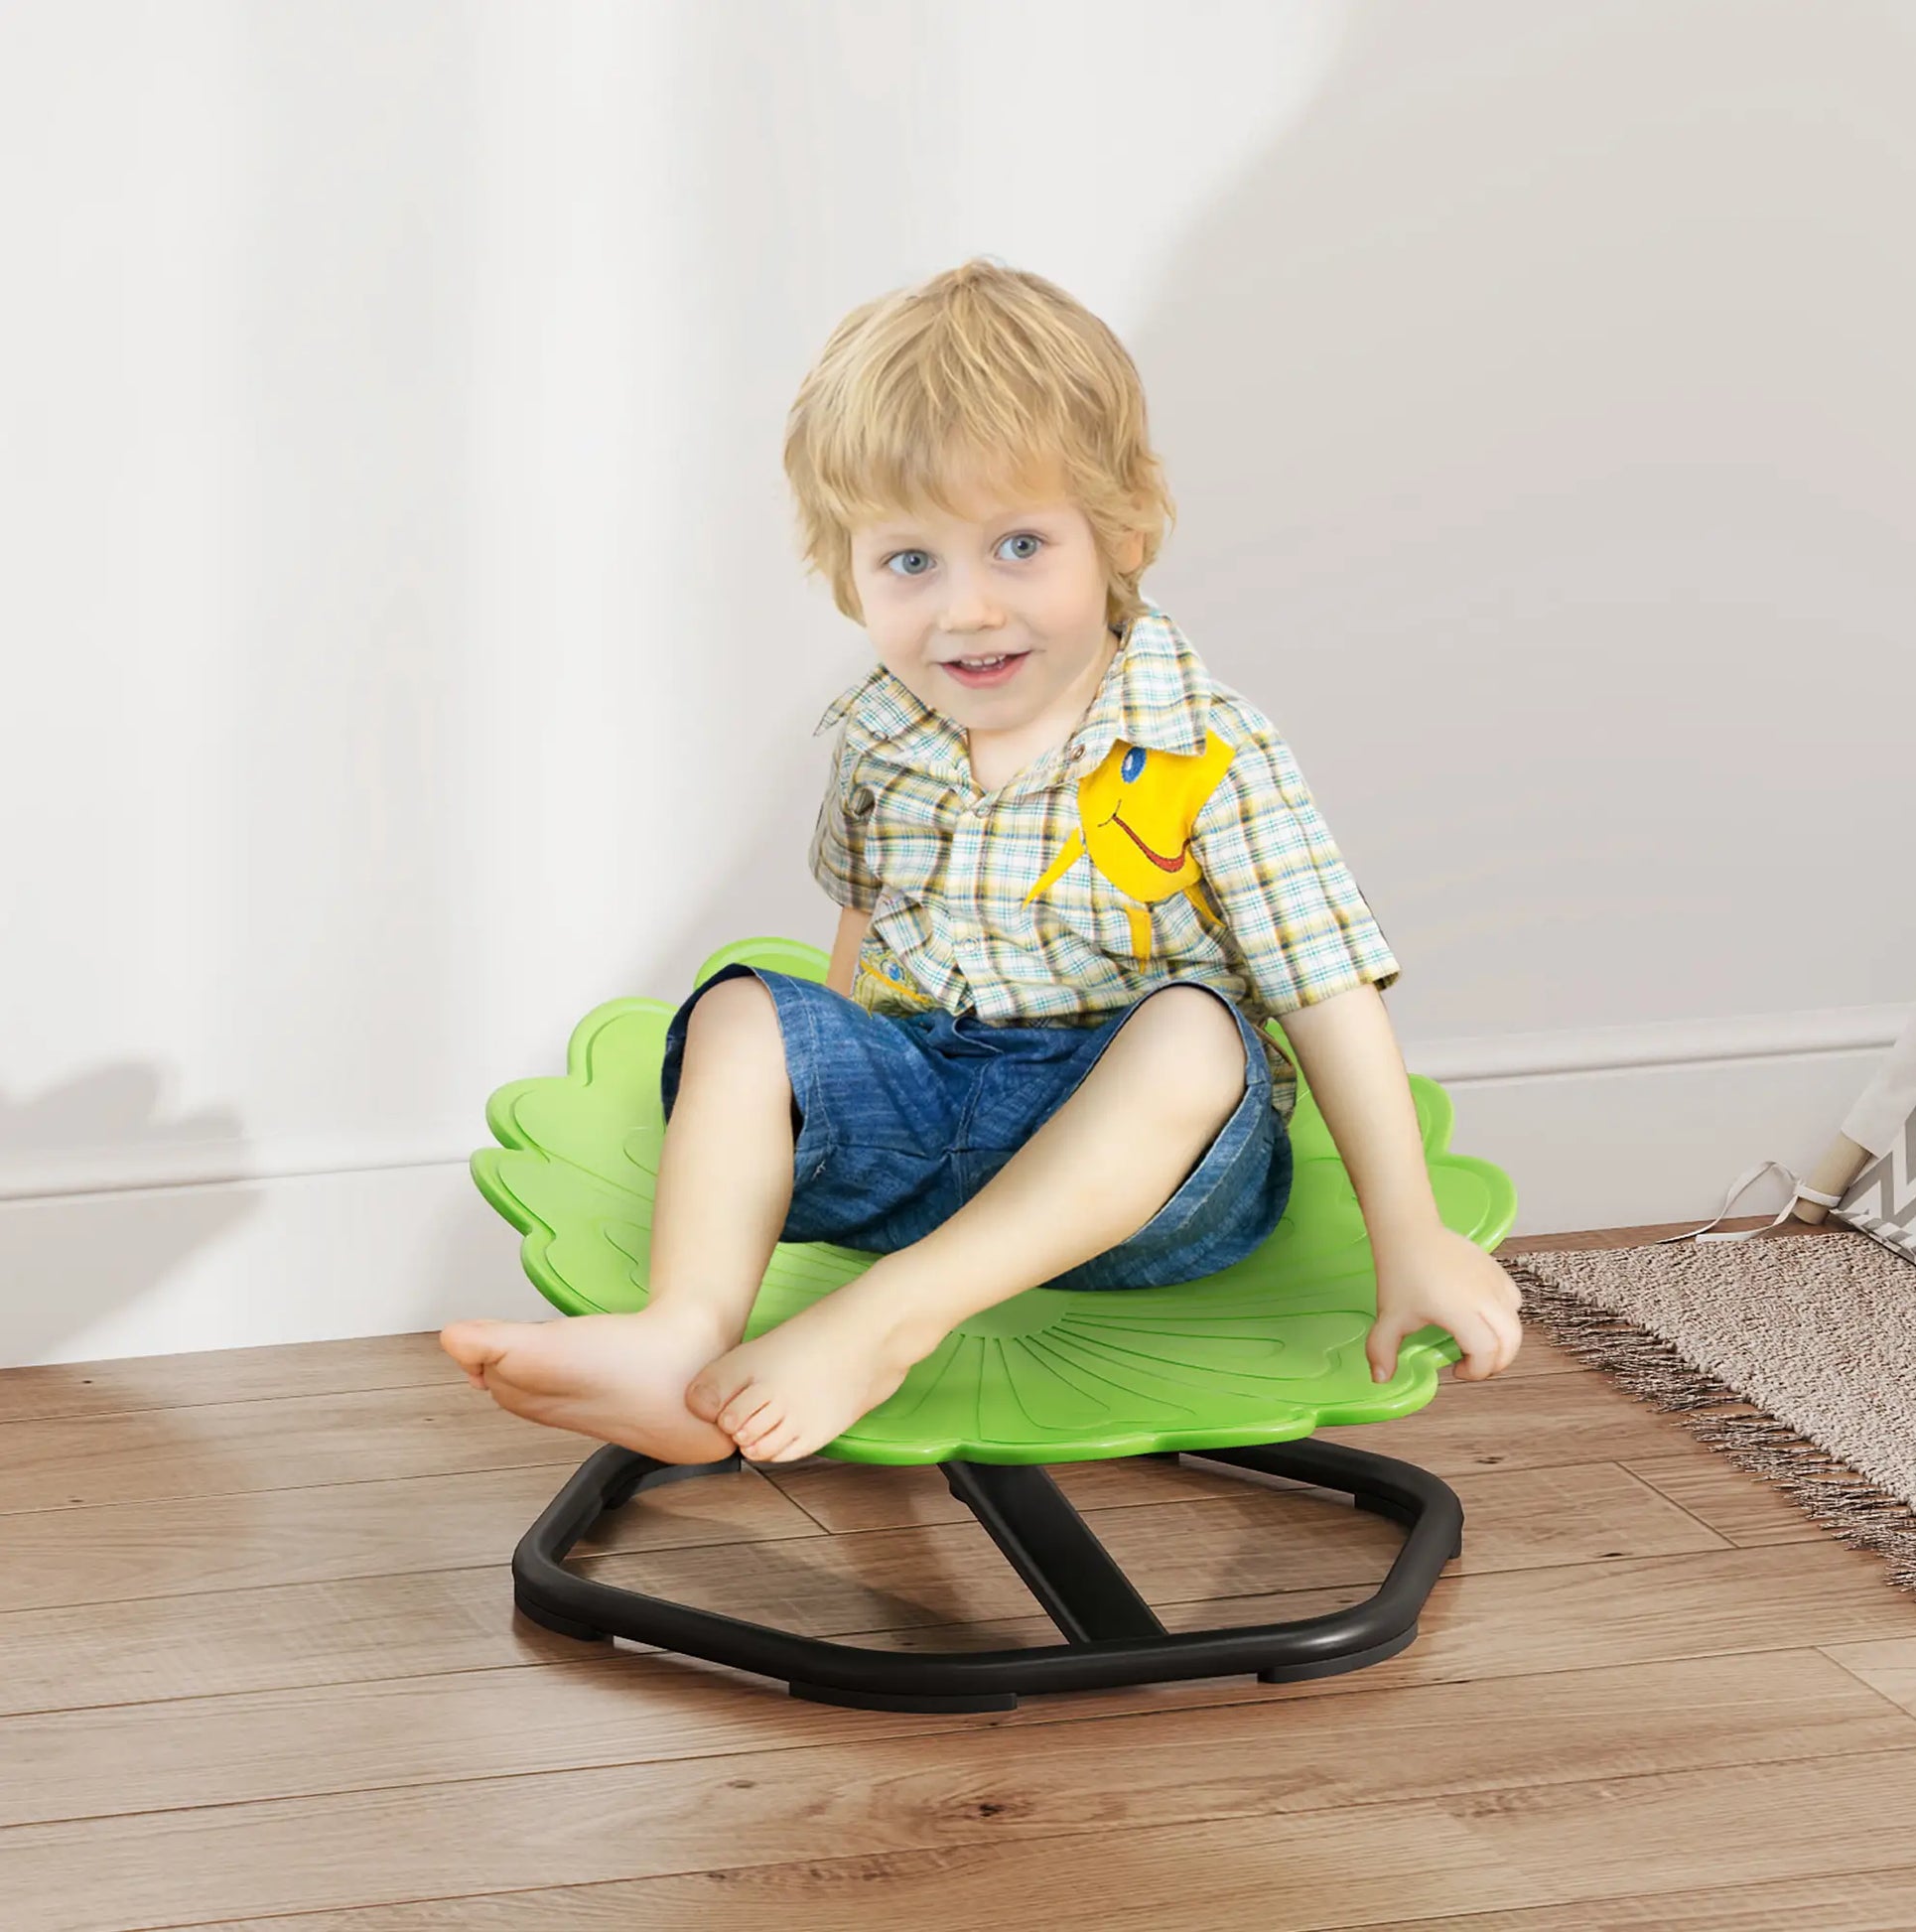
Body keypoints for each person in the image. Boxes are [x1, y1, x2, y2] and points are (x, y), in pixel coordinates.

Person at [440, 256, 1522, 1465]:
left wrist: (1410, 1233)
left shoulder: (1204, 748)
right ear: (842, 570)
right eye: (911, 562)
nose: (964, 610)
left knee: (1198, 1030)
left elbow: (1324, 993)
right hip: (923, 1122)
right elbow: (857, 941)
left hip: (1138, 1188)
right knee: (748, 1004)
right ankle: (679, 1336)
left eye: (1016, 545)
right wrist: (813, 1092)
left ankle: (884, 1321)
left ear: (1119, 532)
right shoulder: (877, 735)